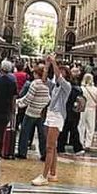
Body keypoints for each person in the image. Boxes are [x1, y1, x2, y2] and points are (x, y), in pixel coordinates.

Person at [33, 57, 69, 186]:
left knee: (49, 147)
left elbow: (58, 76)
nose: (59, 73)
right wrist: (47, 65)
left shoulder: (66, 87)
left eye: (62, 72)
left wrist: (54, 62)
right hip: (50, 115)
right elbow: (44, 80)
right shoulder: (55, 87)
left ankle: (44, 176)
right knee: (52, 146)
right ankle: (53, 173)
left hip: (57, 116)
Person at [16, 65, 49, 160]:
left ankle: (22, 152)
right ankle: (44, 154)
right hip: (41, 112)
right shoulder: (47, 84)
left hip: (31, 112)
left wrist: (17, 103)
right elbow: (48, 98)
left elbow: (28, 99)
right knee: (42, 134)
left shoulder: (34, 84)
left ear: (36, 74)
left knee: (25, 132)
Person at [79, 72, 97, 149]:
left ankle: (81, 142)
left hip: (82, 109)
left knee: (81, 126)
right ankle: (88, 144)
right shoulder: (96, 90)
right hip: (92, 109)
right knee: (90, 127)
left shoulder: (81, 89)